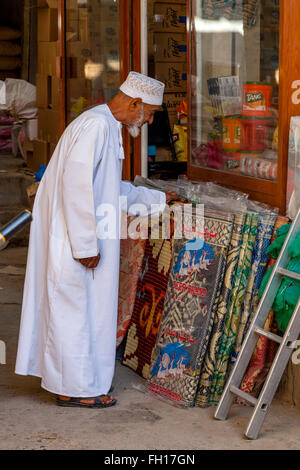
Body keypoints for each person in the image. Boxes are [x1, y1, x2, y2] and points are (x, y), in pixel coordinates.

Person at [15, 72, 180, 408]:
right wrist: (86, 246)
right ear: (135, 102)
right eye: (148, 113)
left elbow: (109, 188)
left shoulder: (104, 125)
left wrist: (159, 199)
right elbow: (77, 189)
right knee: (74, 311)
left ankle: (78, 384)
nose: (148, 120)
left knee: (81, 312)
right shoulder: (96, 127)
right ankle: (74, 390)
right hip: (76, 239)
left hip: (80, 235)